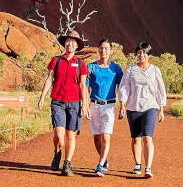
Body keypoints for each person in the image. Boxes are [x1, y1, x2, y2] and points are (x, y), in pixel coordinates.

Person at [38, 30, 90, 176]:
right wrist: (42, 97)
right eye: (68, 41)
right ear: (64, 43)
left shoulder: (81, 63)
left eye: (73, 42)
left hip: (74, 103)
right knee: (60, 137)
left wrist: (85, 105)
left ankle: (67, 164)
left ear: (77, 45)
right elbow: (49, 79)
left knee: (70, 135)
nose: (70, 44)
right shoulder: (57, 60)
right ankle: (57, 152)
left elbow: (83, 85)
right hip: (58, 102)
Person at [118, 42, 167, 178]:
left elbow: (160, 90)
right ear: (136, 54)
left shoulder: (155, 70)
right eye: (139, 52)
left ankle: (148, 167)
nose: (141, 55)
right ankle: (137, 164)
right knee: (135, 138)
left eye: (144, 53)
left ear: (148, 55)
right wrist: (122, 105)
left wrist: (161, 109)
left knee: (147, 137)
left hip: (150, 106)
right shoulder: (130, 69)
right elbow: (124, 87)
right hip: (133, 107)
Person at [86, 38, 123, 177]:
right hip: (94, 104)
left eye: (106, 48)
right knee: (96, 138)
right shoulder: (91, 67)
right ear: (98, 49)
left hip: (109, 105)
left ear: (111, 51)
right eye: (101, 48)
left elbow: (121, 88)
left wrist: (122, 105)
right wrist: (85, 105)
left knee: (106, 137)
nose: (103, 51)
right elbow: (86, 87)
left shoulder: (116, 68)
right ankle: (104, 159)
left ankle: (100, 165)